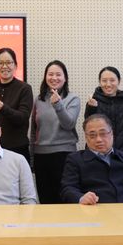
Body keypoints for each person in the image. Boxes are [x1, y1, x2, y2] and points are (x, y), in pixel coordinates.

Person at [61, 114, 123, 204]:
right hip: (94, 212)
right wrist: (81, 198)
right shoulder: (76, 159)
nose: (98, 139)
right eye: (92, 135)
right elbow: (68, 189)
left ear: (112, 134)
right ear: (86, 138)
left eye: (103, 133)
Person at [30, 60, 80, 204]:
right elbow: (33, 131)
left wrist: (58, 104)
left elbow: (69, 124)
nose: (54, 78)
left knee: (65, 199)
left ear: (65, 78)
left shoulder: (72, 99)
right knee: (45, 200)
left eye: (58, 74)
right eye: (50, 74)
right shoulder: (38, 99)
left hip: (65, 155)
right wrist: (32, 158)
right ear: (45, 77)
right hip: (41, 157)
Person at [0, 48, 34, 162]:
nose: (4, 66)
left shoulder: (24, 88)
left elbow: (23, 118)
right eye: (0, 63)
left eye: (9, 62)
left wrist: (3, 108)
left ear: (15, 65)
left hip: (17, 149)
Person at [84, 66, 123, 164]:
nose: (108, 84)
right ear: (100, 82)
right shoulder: (93, 103)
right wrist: (91, 108)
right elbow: (88, 130)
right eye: (104, 81)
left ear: (119, 81)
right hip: (98, 156)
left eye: (112, 80)